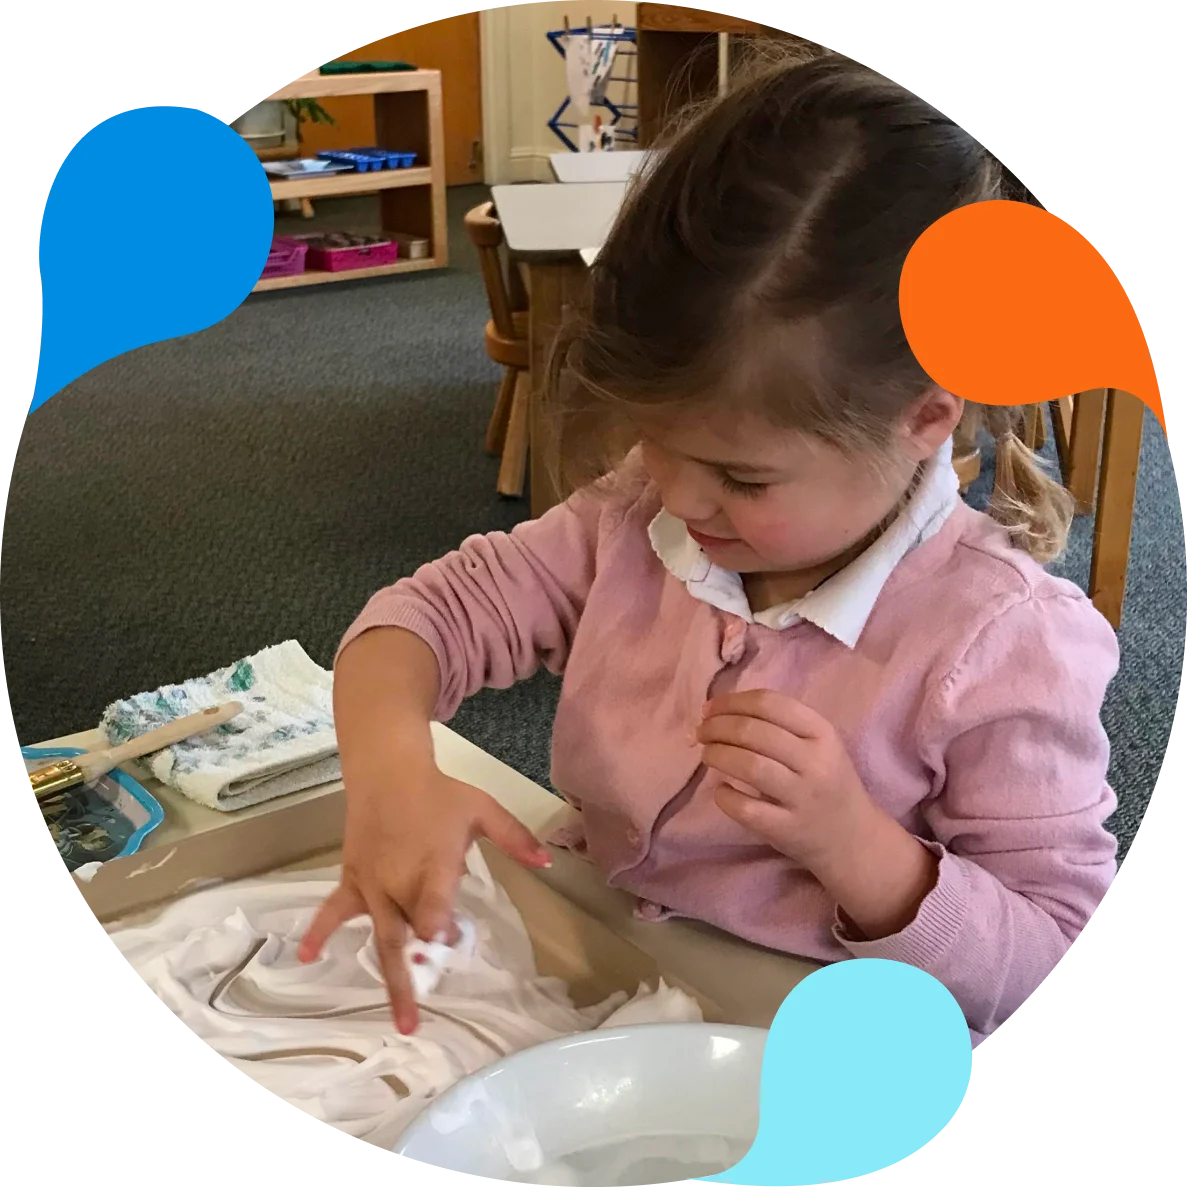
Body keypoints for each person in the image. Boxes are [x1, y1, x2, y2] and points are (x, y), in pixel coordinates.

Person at [299, 51, 1119, 1047]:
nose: (679, 497)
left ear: (924, 418)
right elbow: (425, 620)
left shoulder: (1003, 644)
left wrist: (857, 849)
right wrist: (392, 773)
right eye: (660, 444)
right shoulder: (636, 514)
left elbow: (1043, 956)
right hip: (611, 985)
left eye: (743, 478)